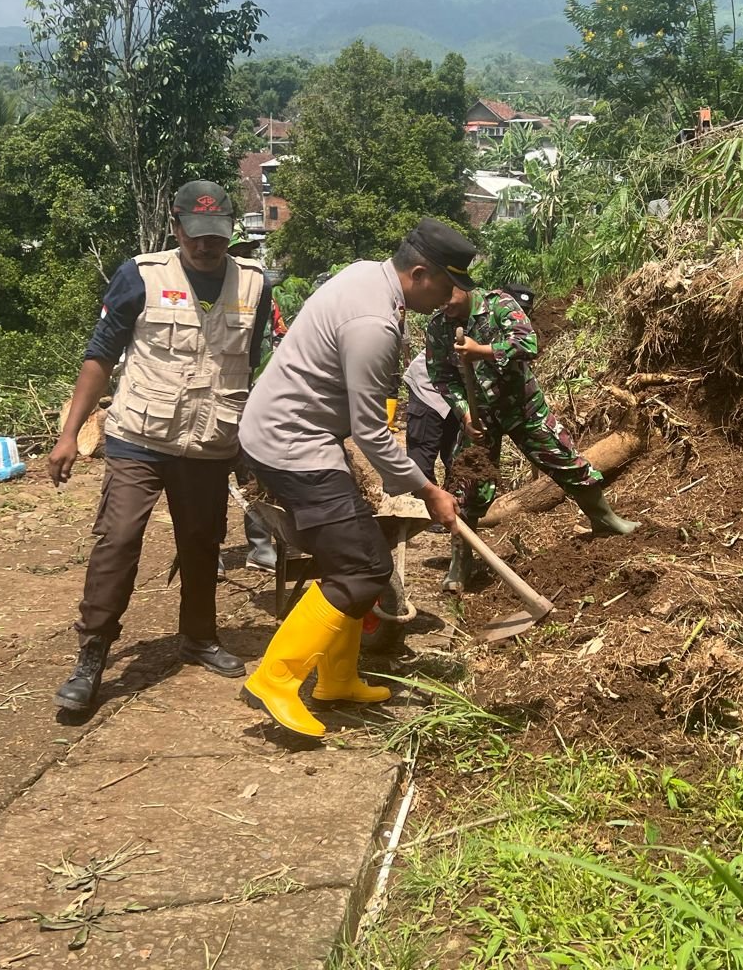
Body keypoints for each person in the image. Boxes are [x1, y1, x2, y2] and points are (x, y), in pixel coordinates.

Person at [47, 181, 273, 711]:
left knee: (201, 540)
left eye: (216, 237)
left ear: (229, 233)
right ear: (176, 228)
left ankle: (198, 636)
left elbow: (256, 364)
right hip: (139, 436)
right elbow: (100, 355)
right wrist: (68, 434)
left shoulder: (255, 285)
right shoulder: (141, 276)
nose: (206, 247)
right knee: (119, 537)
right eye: (196, 236)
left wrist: (256, 437)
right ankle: (93, 652)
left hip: (212, 441)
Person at [237, 218, 467, 738]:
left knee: (351, 560)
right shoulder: (374, 323)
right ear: (420, 272)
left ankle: (337, 678)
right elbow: (370, 432)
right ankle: (275, 679)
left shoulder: (368, 275)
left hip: (298, 434)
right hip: (290, 443)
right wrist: (428, 490)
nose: (452, 297)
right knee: (365, 566)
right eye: (448, 284)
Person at [427, 282, 638, 592]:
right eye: (438, 300)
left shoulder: (499, 305)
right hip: (480, 417)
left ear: (463, 285)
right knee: (466, 485)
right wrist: (465, 413)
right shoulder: (439, 327)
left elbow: (528, 344)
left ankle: (604, 519)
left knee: (566, 460)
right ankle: (462, 560)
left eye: (448, 296)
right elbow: (441, 377)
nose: (444, 305)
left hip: (523, 407)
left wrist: (481, 351)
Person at [220, 227, 284, 577]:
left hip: (256, 398)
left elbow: (281, 340)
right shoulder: (208, 297)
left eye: (248, 250)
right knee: (211, 478)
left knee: (255, 476)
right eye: (238, 251)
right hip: (215, 398)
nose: (244, 257)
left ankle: (260, 548)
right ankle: (206, 552)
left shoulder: (264, 297)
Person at [402, 350, 458, 486]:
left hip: (458, 395)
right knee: (422, 457)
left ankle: (454, 499)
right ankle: (429, 499)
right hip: (429, 388)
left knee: (458, 458)